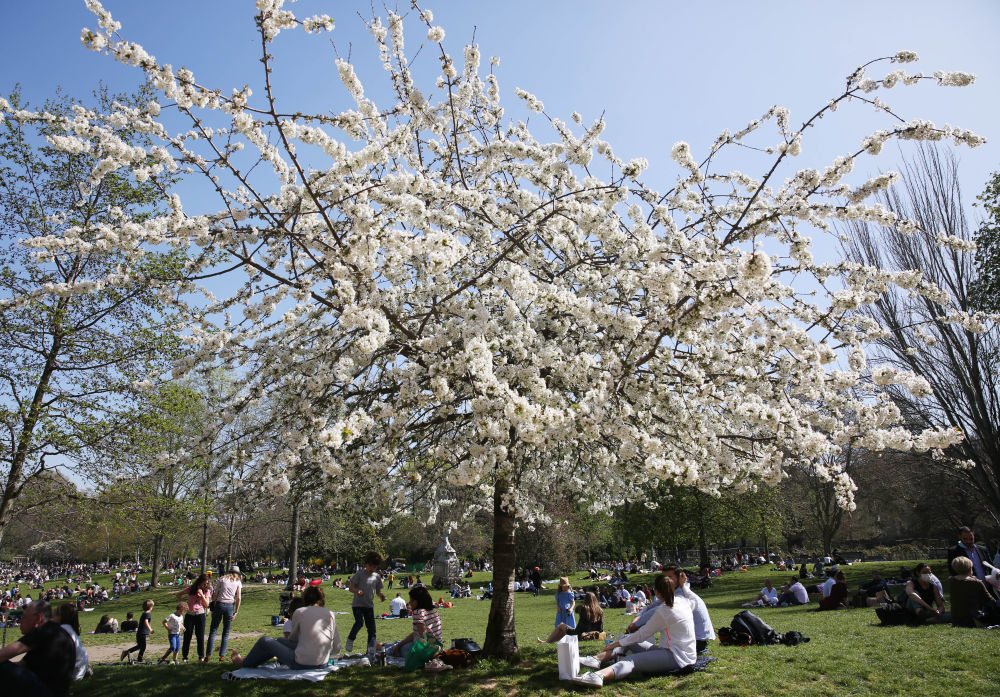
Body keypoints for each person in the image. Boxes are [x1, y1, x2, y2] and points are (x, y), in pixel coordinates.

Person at [573, 574, 695, 688]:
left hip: (677, 658)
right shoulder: (684, 601)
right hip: (680, 652)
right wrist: (684, 586)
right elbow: (693, 599)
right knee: (626, 640)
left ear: (656, 592)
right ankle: (595, 659)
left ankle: (599, 676)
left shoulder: (664, 611)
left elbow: (641, 635)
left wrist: (615, 643)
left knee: (630, 660)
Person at [233, 585, 340, 669]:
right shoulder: (330, 614)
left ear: (305, 599)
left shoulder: (300, 612)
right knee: (279, 641)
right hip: (323, 663)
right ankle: (252, 660)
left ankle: (244, 663)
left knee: (265, 640)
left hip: (301, 663)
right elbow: (337, 646)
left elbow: (293, 640)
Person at [0, 600, 76, 697]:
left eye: (24, 617)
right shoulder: (56, 632)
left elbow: (4, 654)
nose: (20, 620)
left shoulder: (45, 631)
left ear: (38, 618)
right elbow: (23, 664)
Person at [345, 551, 386, 653]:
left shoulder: (377, 577)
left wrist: (381, 596)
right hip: (357, 605)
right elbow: (351, 588)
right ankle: (350, 639)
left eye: (375, 567)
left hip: (369, 606)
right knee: (359, 622)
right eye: (370, 566)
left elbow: (378, 591)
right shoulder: (359, 574)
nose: (372, 568)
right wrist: (357, 591)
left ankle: (370, 651)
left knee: (372, 630)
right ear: (366, 564)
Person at [390, 585, 443, 658]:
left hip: (426, 651)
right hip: (438, 648)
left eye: (412, 600)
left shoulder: (418, 612)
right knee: (398, 643)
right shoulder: (433, 612)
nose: (410, 602)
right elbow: (418, 632)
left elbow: (423, 637)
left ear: (420, 601)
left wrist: (398, 647)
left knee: (391, 649)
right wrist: (400, 644)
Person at [947, 526, 996, 598]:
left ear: (974, 535)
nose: (969, 541)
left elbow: (990, 566)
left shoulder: (983, 549)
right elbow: (953, 571)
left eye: (971, 539)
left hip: (988, 589)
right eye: (965, 539)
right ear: (959, 537)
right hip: (969, 591)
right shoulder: (954, 551)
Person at [206, 566, 243, 662]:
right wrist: (236, 611)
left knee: (213, 630)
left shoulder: (222, 579)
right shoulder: (238, 582)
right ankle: (222, 655)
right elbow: (238, 598)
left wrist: (213, 603)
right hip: (230, 606)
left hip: (219, 604)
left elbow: (216, 593)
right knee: (226, 632)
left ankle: (208, 655)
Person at [538, 591, 604, 643]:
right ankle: (555, 642)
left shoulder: (584, 608)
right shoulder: (600, 610)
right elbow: (601, 628)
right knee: (565, 629)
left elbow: (576, 610)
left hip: (579, 634)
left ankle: (547, 642)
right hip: (592, 634)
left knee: (561, 625)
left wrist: (582, 603)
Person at [949, 556, 997, 627]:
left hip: (956, 619)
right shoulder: (976, 582)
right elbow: (990, 601)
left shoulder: (951, 581)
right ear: (969, 568)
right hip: (972, 619)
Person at [178, 573, 212, 662]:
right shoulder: (191, 589)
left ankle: (201, 657)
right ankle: (184, 657)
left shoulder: (206, 591)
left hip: (200, 615)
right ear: (200, 582)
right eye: (204, 583)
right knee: (187, 636)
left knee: (200, 636)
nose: (205, 585)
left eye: (207, 583)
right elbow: (178, 595)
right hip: (189, 615)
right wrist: (184, 605)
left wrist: (202, 595)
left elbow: (207, 604)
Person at [55, 602, 89, 681]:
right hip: (80, 670)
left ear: (61, 616)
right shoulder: (69, 629)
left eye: (55, 614)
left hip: (73, 674)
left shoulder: (62, 630)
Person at [121, 599, 154, 663]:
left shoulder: (144, 613)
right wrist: (150, 629)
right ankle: (139, 659)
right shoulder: (148, 614)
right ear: (150, 607)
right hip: (142, 633)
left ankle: (127, 652)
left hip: (139, 633)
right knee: (143, 647)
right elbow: (146, 622)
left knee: (140, 646)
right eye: (152, 606)